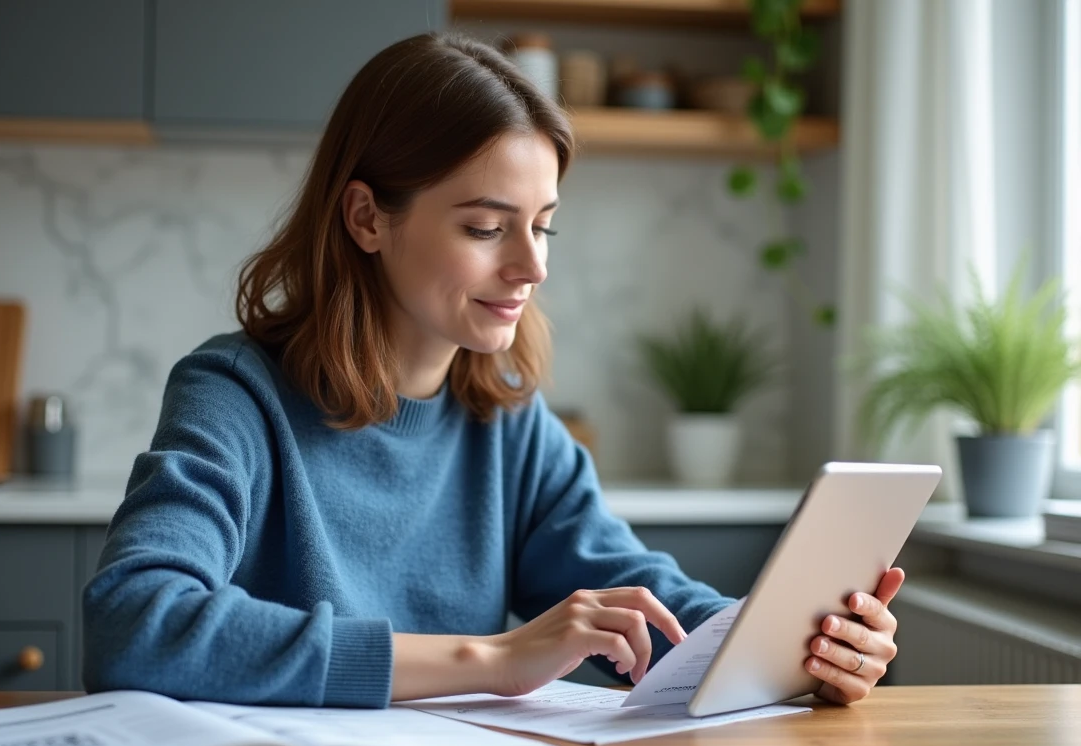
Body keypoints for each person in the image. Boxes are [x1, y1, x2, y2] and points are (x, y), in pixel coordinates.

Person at [82, 32, 903, 709]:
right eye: (485, 228)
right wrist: (490, 659)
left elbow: (638, 594)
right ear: (368, 218)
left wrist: (795, 643)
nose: (531, 266)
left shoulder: (505, 418)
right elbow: (134, 623)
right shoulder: (234, 395)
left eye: (543, 226)